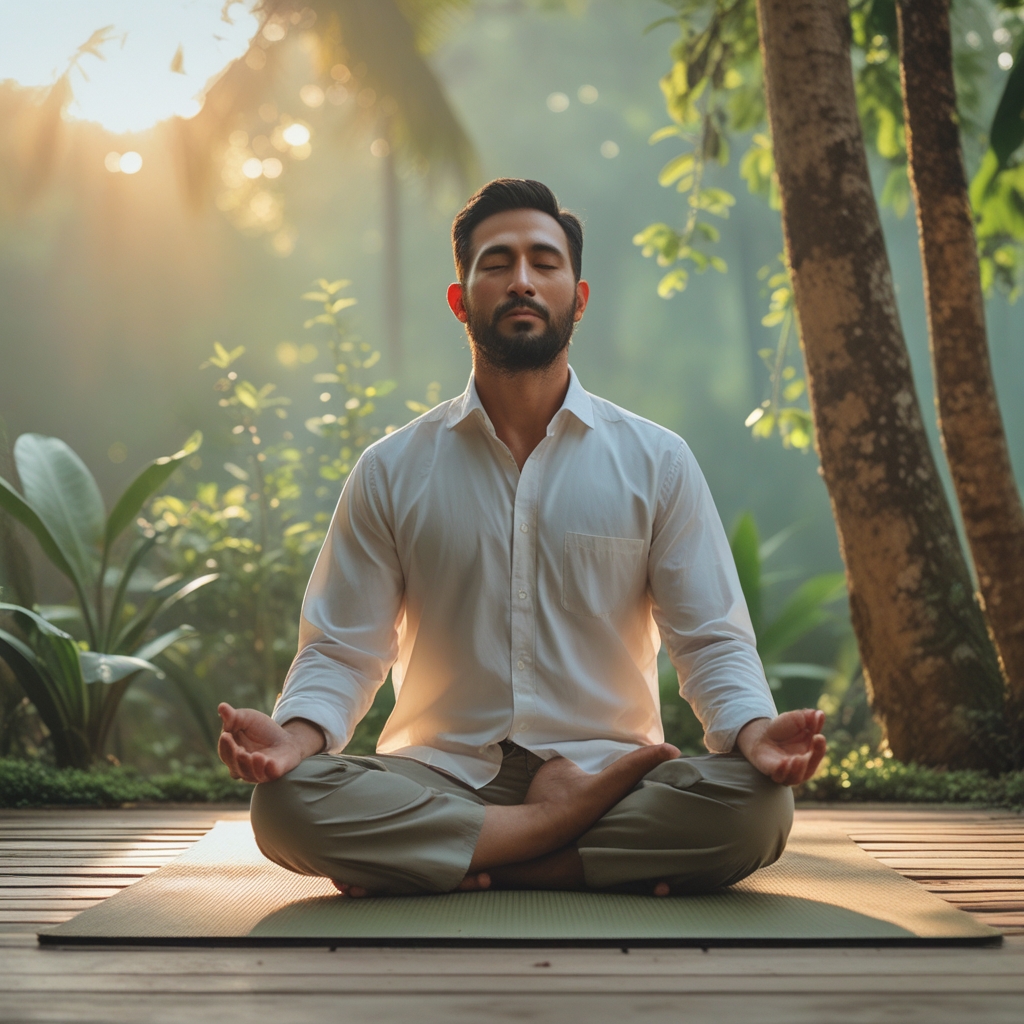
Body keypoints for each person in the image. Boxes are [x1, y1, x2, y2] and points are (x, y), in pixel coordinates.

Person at [217, 178, 826, 898]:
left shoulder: (656, 461)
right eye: (497, 263)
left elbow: (711, 640)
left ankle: (482, 858)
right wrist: (295, 738)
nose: (523, 281)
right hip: (440, 776)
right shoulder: (390, 469)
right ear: (461, 298)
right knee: (287, 805)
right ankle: (562, 848)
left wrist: (753, 730)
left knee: (758, 808)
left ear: (580, 296)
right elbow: (343, 650)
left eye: (545, 261)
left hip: (610, 775)